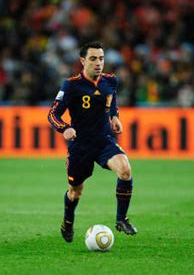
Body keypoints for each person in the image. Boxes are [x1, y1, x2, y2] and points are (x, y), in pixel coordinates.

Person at [48, 41, 137, 243]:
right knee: (75, 192)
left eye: (101, 58)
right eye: (93, 59)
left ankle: (121, 219)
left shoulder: (110, 81)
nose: (98, 63)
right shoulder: (71, 85)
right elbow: (52, 114)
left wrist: (114, 116)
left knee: (125, 169)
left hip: (104, 140)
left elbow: (111, 99)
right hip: (80, 146)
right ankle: (67, 221)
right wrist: (65, 128)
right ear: (82, 61)